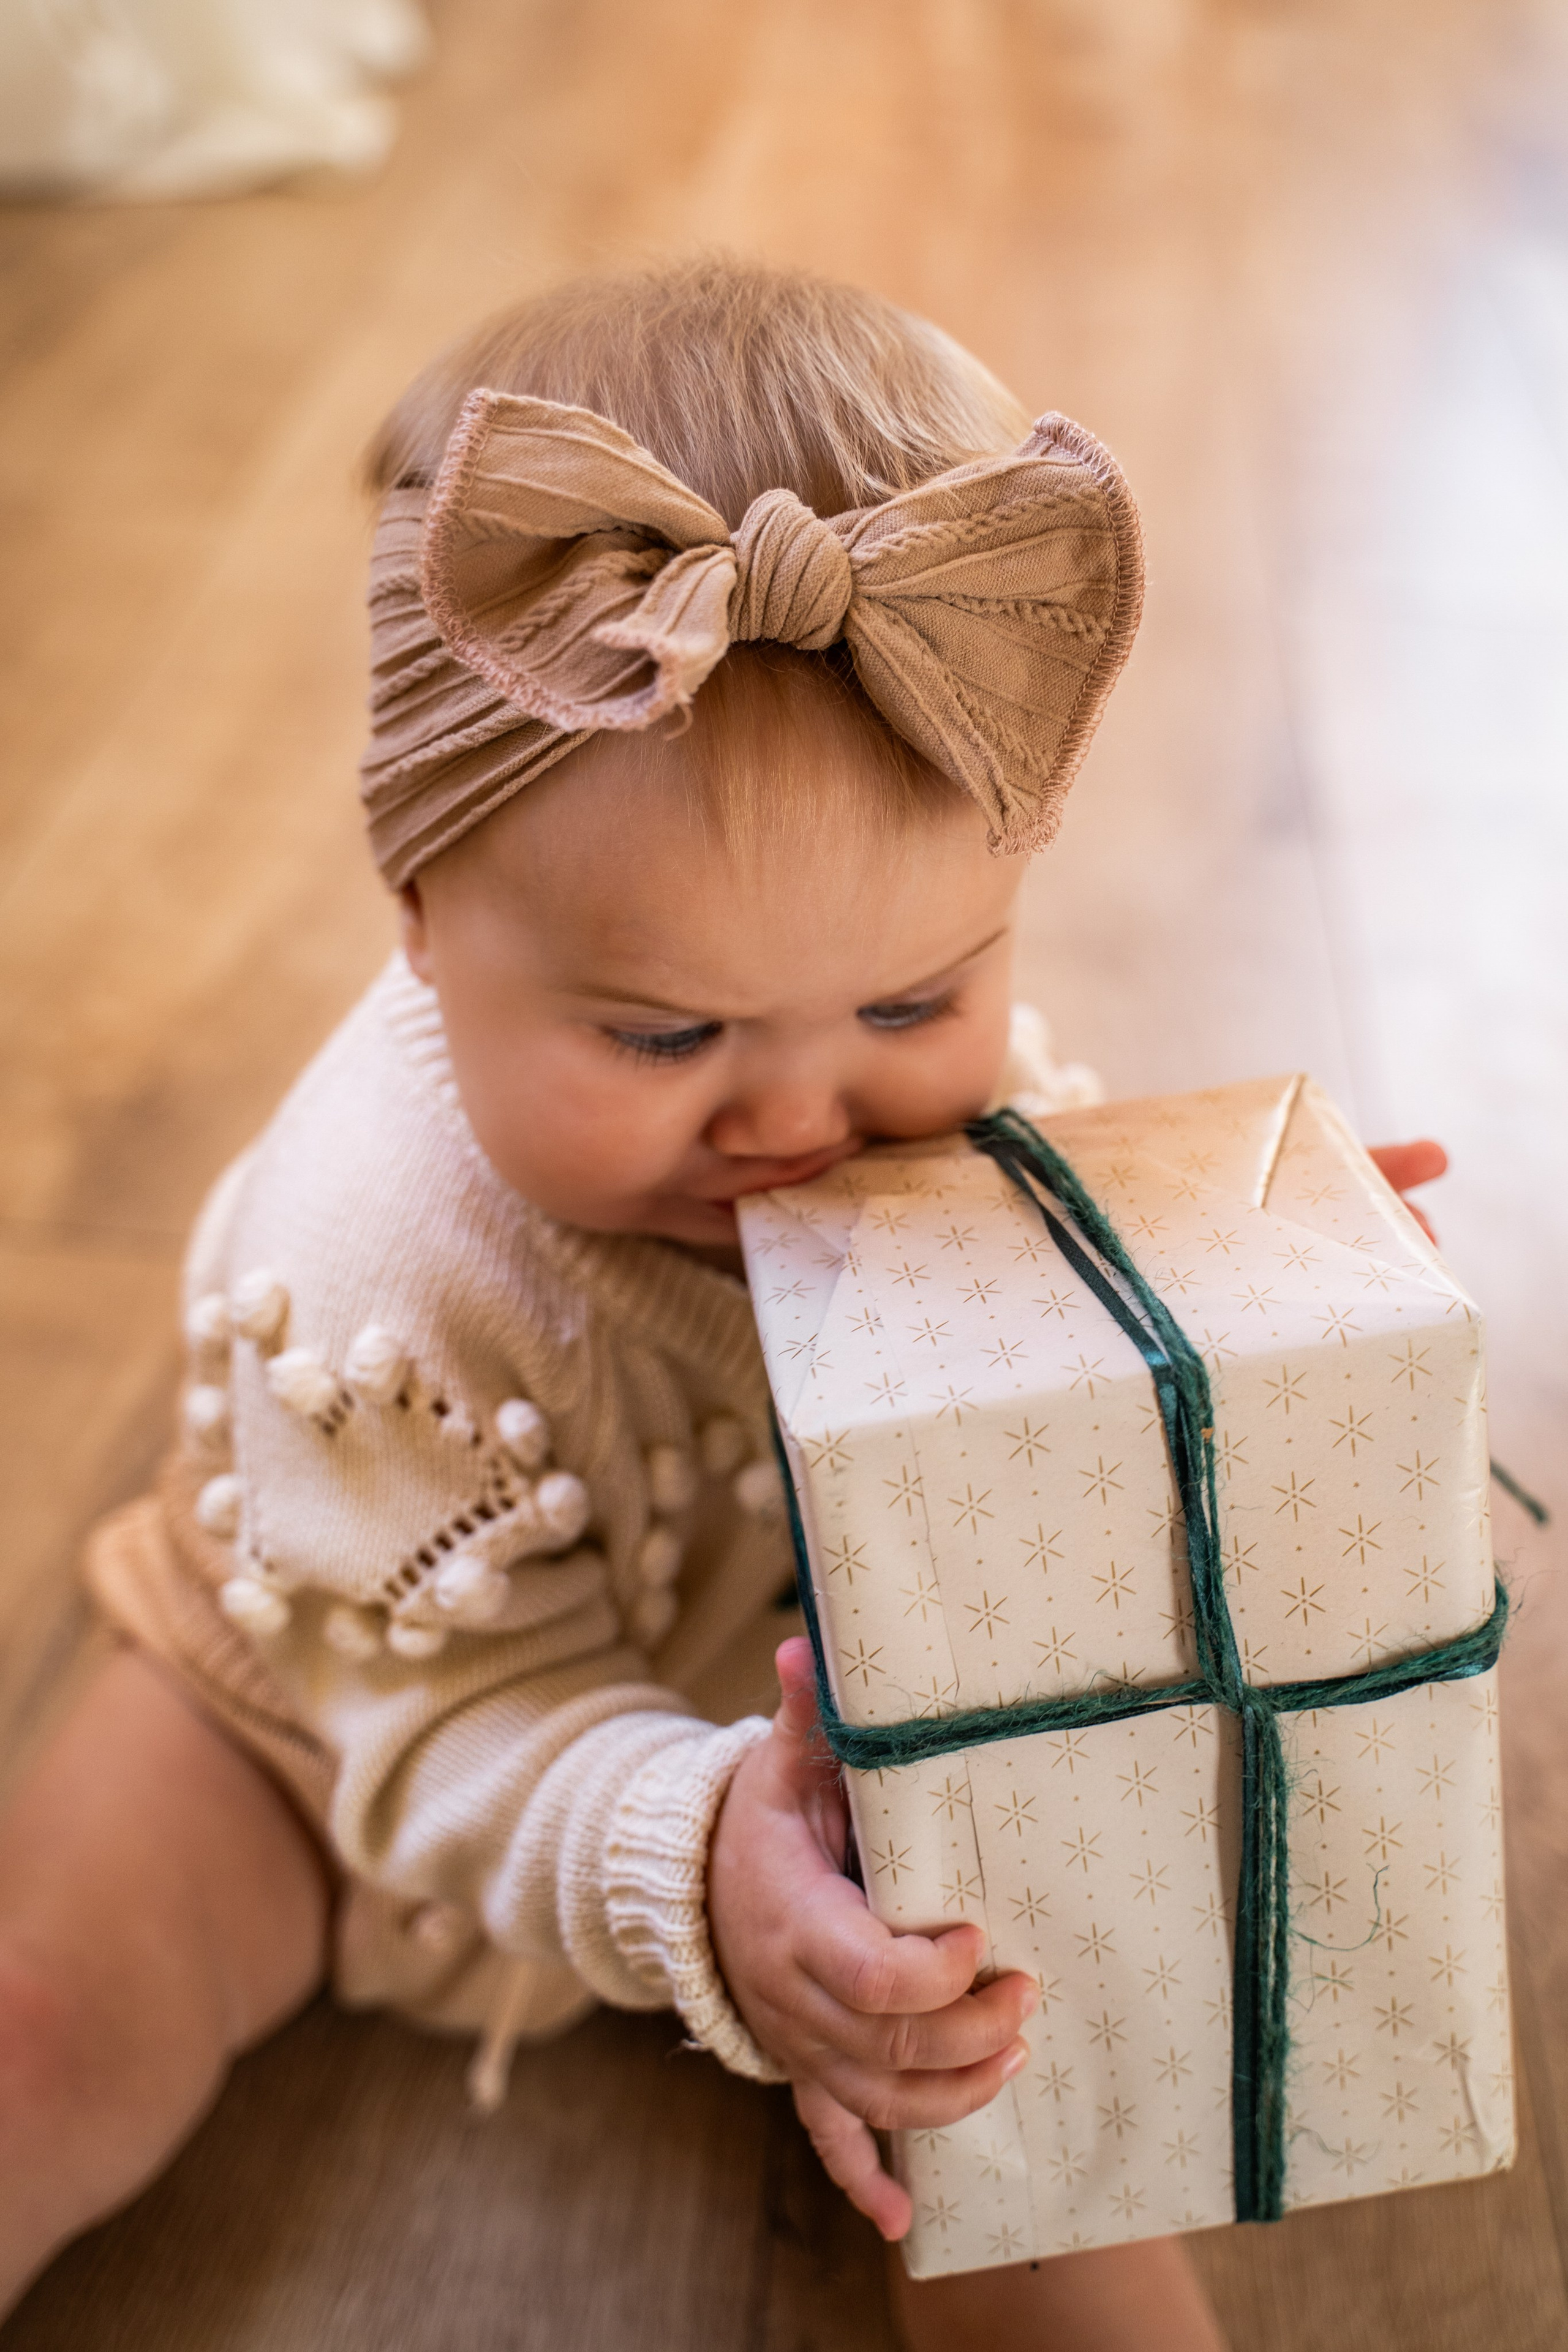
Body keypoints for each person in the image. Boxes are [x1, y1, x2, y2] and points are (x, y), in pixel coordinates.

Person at [0, 257, 1446, 2345]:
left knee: (1038, 2134)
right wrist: (692, 1857)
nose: (801, 1110)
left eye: (910, 995)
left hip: (856, 1759)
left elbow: (1072, 1367)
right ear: (420, 914)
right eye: (668, 1035)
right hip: (343, 1732)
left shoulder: (927, 1113)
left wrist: (1242, 1290)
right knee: (43, 2027)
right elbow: (437, 1726)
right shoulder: (375, 1265)